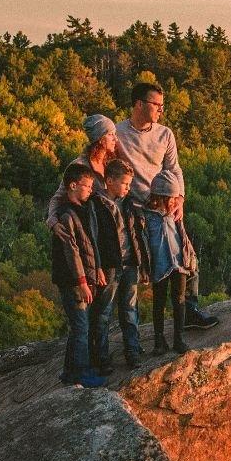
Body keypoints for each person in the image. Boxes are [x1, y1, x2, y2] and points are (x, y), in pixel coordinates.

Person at [113, 81, 219, 330]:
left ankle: (190, 311)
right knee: (134, 271)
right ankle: (132, 333)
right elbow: (96, 165)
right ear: (139, 104)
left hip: (163, 207)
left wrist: (180, 199)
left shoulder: (165, 134)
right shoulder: (118, 134)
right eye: (156, 105)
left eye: (162, 105)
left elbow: (174, 169)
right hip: (133, 211)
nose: (161, 110)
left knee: (187, 257)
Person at [46, 162, 107, 387]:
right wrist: (82, 281)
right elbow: (71, 253)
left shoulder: (83, 209)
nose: (91, 190)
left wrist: (98, 269)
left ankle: (70, 372)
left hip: (84, 277)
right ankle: (81, 374)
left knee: (78, 327)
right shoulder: (66, 215)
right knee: (81, 327)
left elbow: (91, 243)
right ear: (73, 185)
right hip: (72, 280)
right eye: (87, 186)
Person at [95, 157, 149, 367]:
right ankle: (101, 357)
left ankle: (132, 353)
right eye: (125, 183)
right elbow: (92, 239)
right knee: (104, 312)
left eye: (129, 184)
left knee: (130, 310)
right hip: (110, 266)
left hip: (130, 265)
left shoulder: (130, 203)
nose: (128, 187)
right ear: (109, 181)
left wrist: (143, 266)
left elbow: (137, 236)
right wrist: (97, 267)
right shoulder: (97, 205)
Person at [143, 167, 197, 354]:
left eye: (176, 199)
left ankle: (178, 339)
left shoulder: (175, 214)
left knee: (179, 300)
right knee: (158, 302)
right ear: (160, 198)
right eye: (171, 199)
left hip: (179, 264)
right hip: (159, 265)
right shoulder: (147, 216)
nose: (175, 203)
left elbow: (182, 237)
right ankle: (159, 341)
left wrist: (189, 259)